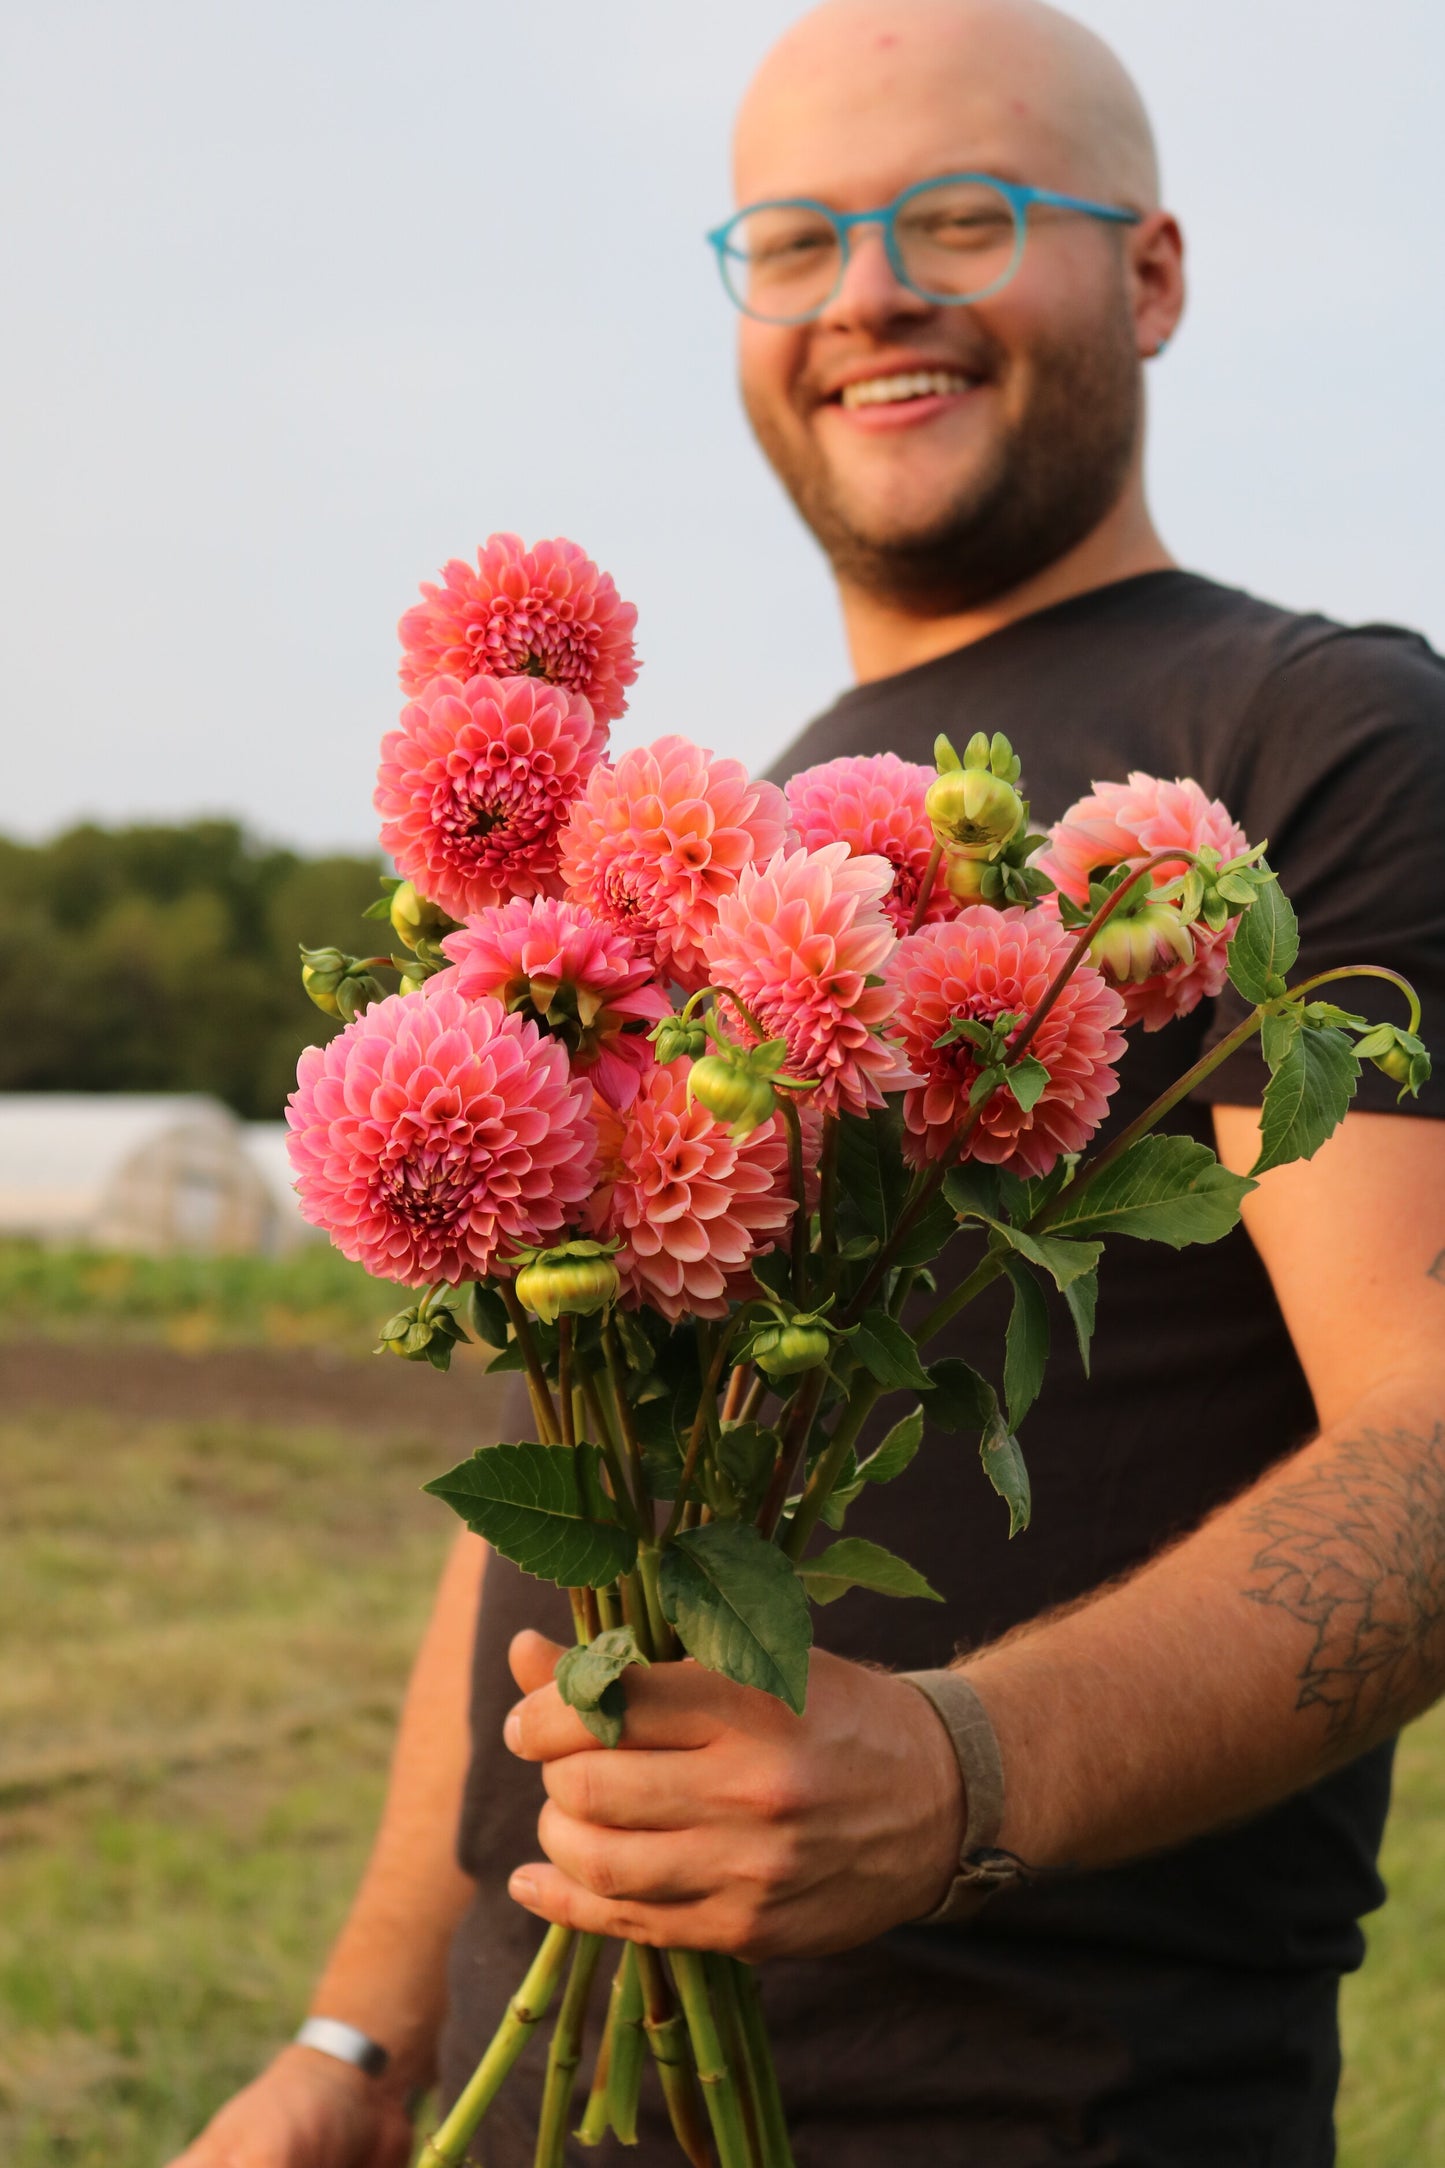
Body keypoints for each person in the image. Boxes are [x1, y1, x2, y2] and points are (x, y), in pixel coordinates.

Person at [171, 1, 1445, 2161]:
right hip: (521, 2092)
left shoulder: (1314, 736)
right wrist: (356, 2042)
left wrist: (965, 1771)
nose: (872, 290)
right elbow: (553, 1519)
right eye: (799, 235)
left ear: (1148, 271)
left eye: (967, 213)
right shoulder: (733, 838)